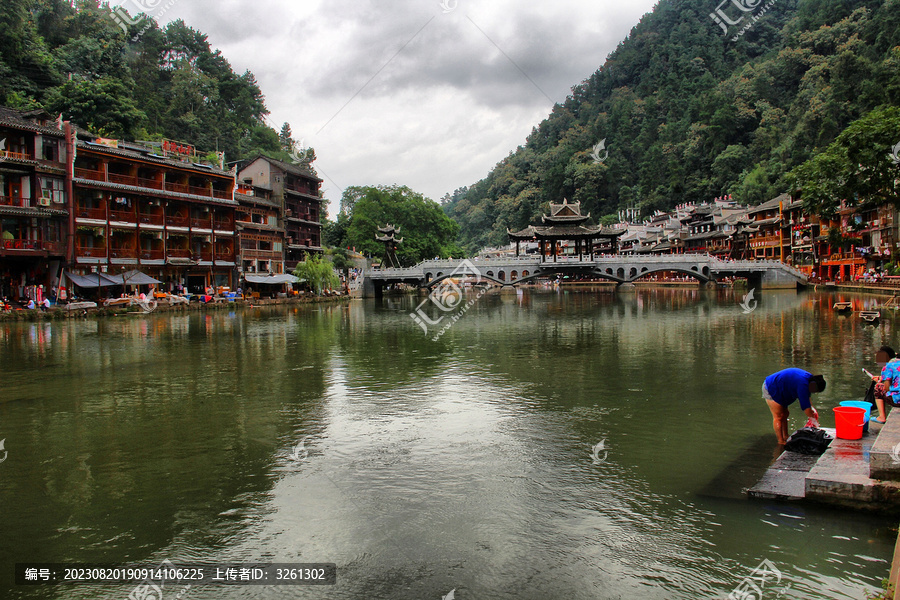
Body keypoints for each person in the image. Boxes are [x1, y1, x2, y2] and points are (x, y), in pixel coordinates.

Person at [763, 368, 826, 445]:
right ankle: (780, 441)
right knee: (778, 417)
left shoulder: (809, 380)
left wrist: (812, 410)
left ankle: (785, 436)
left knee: (785, 414)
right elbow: (805, 407)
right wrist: (814, 421)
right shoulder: (803, 384)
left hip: (783, 389)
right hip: (771, 387)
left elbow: (807, 399)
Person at [870, 346, 900, 423]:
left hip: (897, 401)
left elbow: (887, 388)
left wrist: (880, 382)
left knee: (878, 387)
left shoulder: (888, 366)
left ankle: (881, 417)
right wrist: (881, 378)